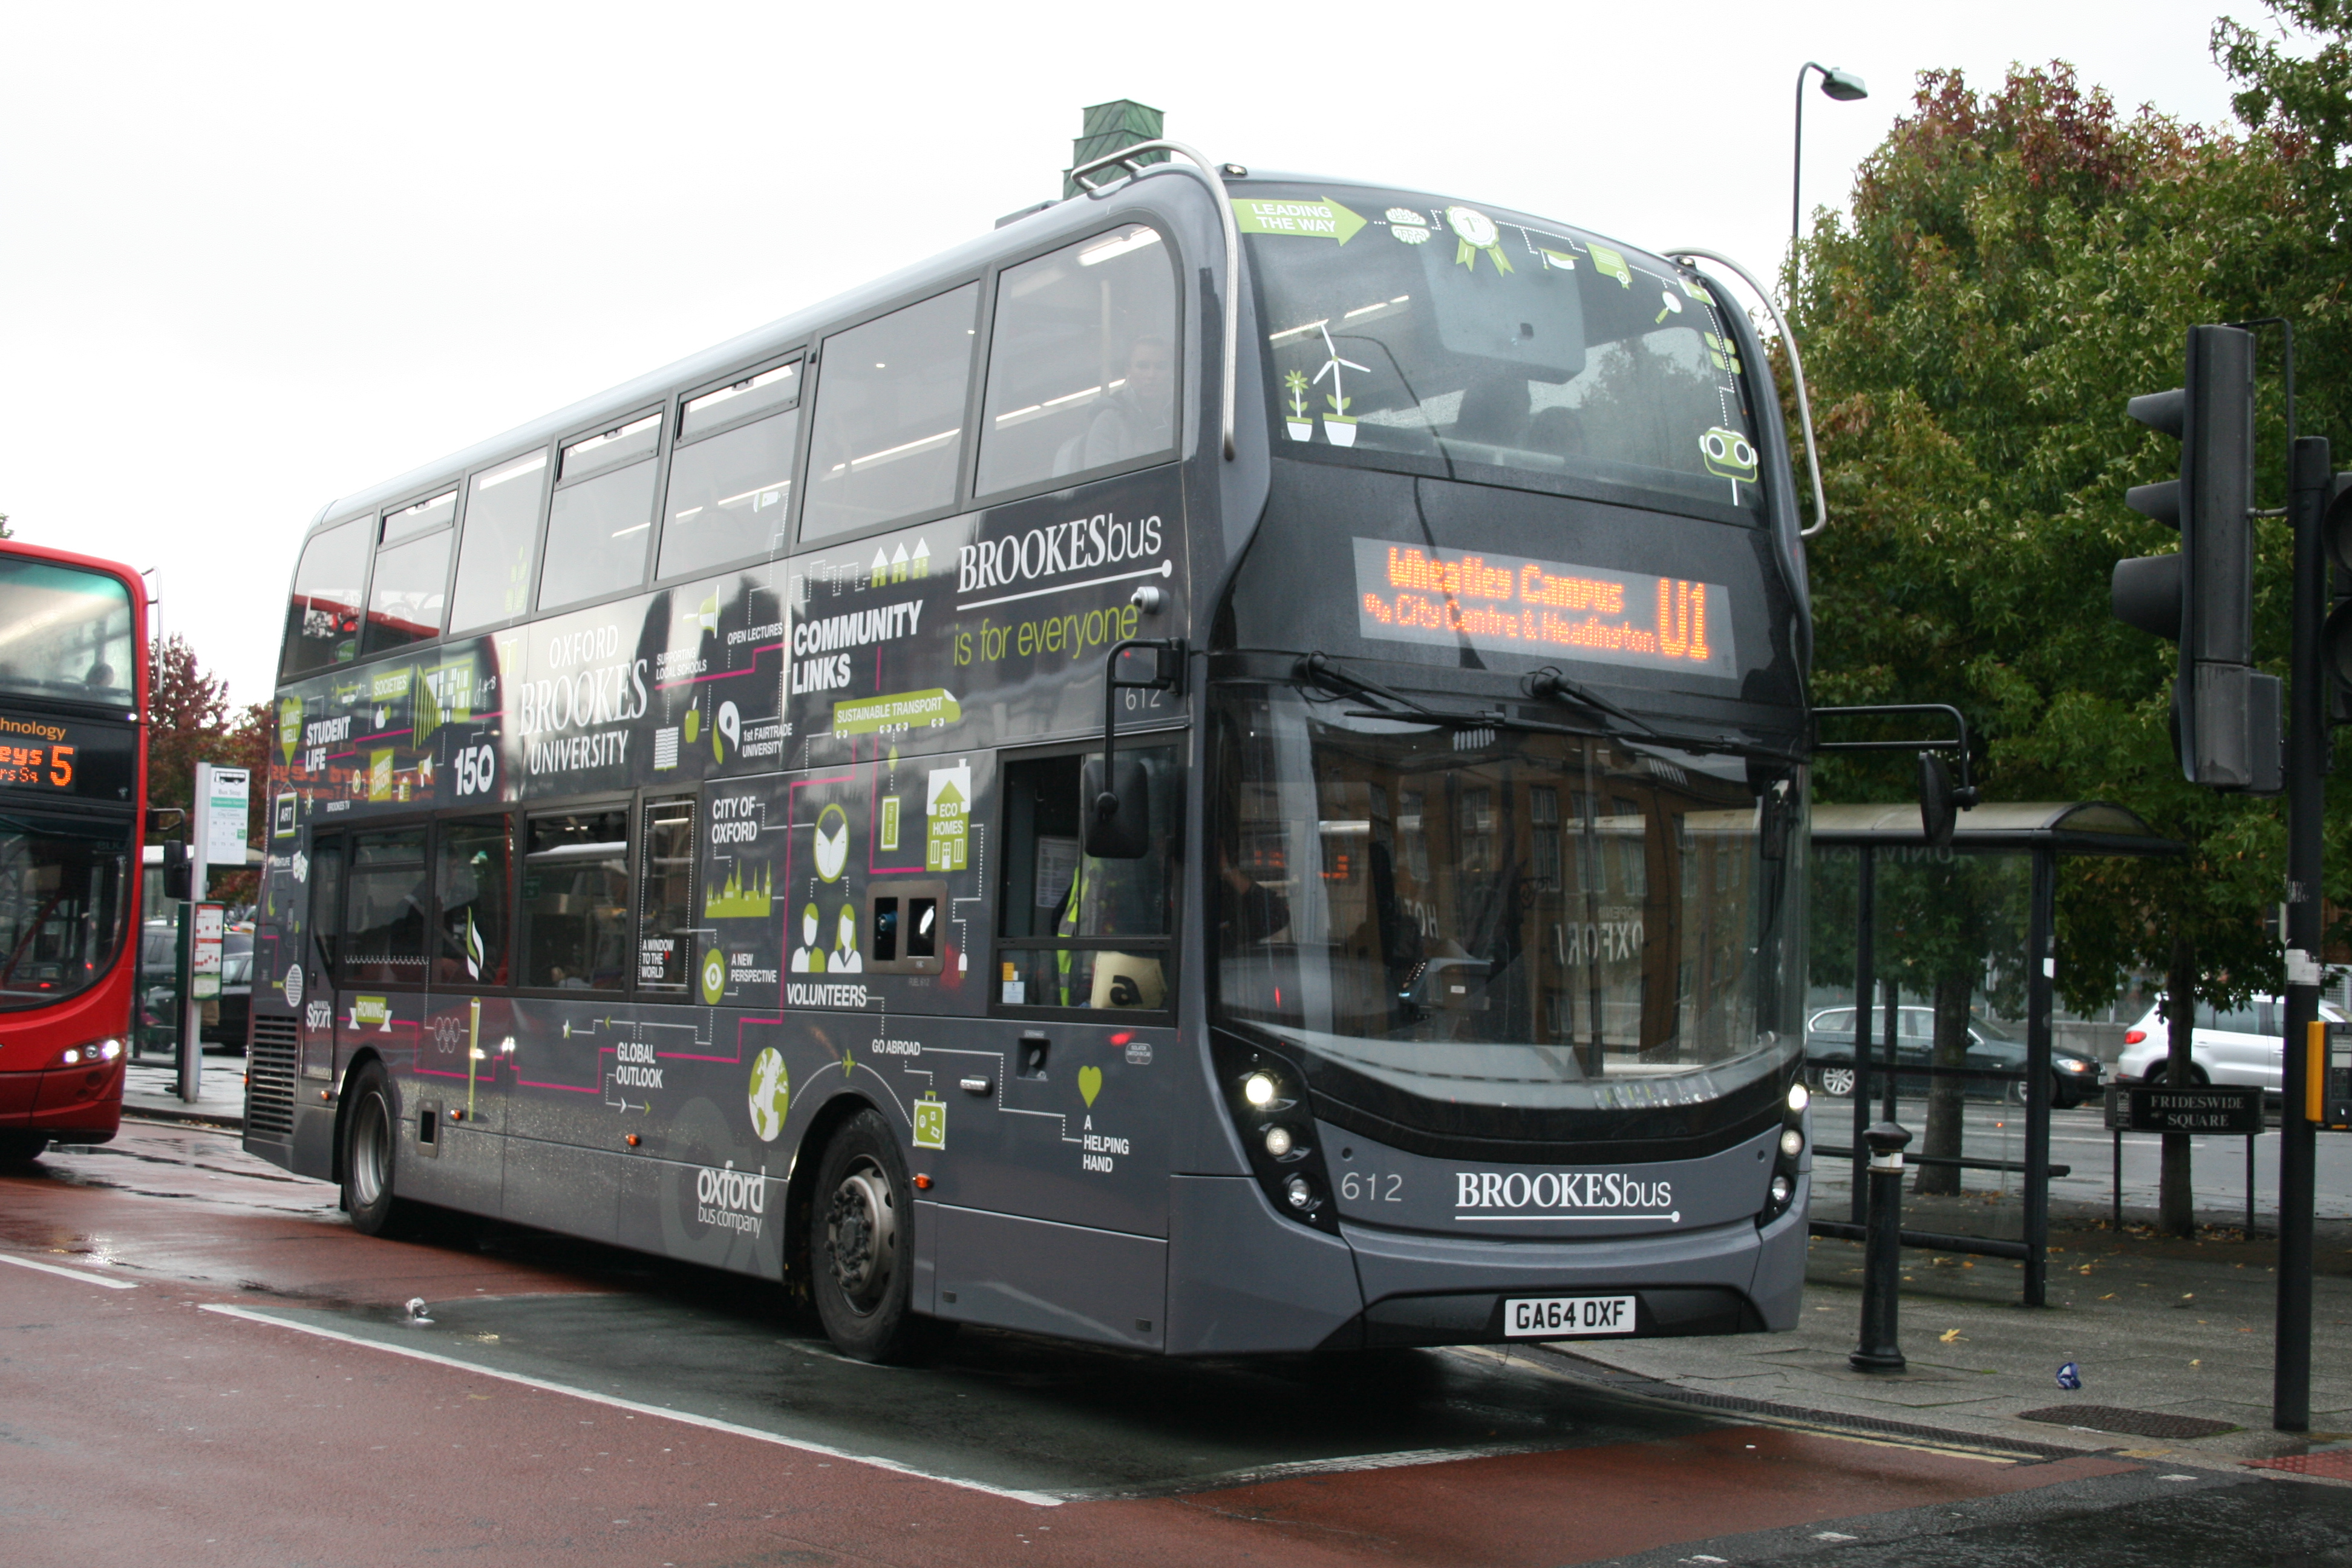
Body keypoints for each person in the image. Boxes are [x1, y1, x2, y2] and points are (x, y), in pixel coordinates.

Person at [1082, 335, 1175, 467]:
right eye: (1143, 366)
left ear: (1172, 370)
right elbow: (1100, 481)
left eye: (1160, 367)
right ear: (1128, 371)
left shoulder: (1187, 416)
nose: (1151, 375)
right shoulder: (1108, 421)